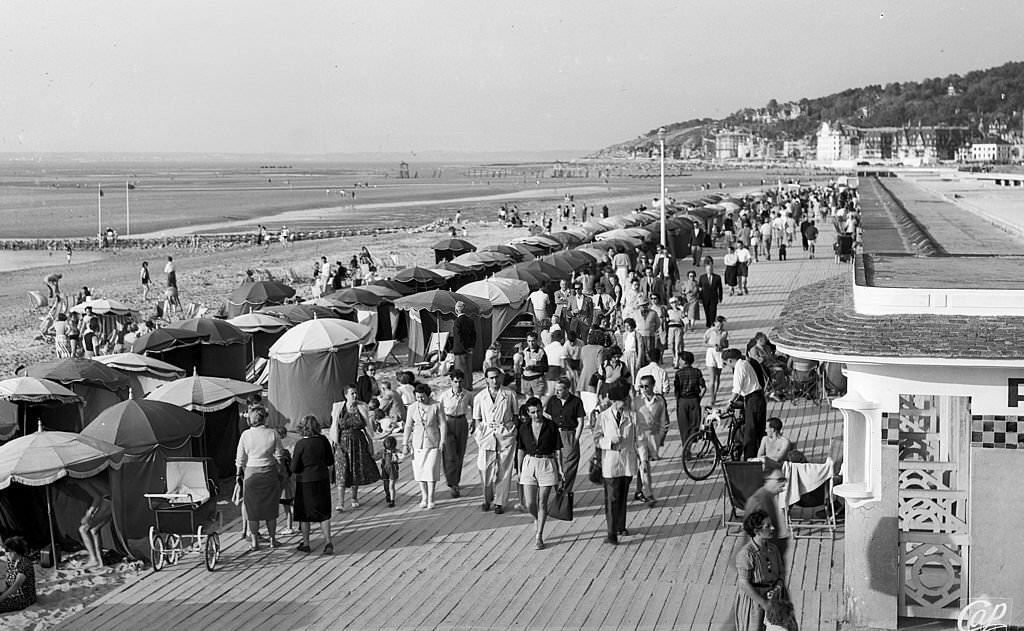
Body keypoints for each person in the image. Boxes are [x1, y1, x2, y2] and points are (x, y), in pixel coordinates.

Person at [593, 385, 639, 545]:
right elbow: (596, 438)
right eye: (620, 400)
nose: (623, 402)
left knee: (623, 495)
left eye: (625, 399)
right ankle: (611, 533)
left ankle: (621, 525)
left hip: (627, 461)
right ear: (613, 401)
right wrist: (609, 442)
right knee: (611, 497)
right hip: (610, 462)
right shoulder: (603, 417)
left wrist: (643, 458)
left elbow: (639, 438)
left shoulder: (632, 416)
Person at [235, 404, 285, 551]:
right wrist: (281, 470)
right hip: (269, 472)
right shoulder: (272, 433)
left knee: (253, 510)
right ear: (264, 418)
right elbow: (280, 455)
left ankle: (255, 541)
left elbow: (240, 458)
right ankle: (272, 539)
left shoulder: (245, 435)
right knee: (271, 508)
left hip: (251, 473)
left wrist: (238, 475)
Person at [517, 396, 563, 550]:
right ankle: (537, 518)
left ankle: (539, 536)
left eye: (539, 411)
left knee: (542, 501)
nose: (536, 415)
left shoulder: (551, 426)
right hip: (529, 463)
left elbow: (558, 449)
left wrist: (561, 469)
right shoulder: (524, 427)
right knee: (530, 503)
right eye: (533, 412)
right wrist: (519, 470)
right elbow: (520, 450)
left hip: (547, 463)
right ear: (528, 413)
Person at [471, 367, 518, 514]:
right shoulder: (480, 397)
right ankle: (487, 497)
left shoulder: (509, 394)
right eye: (491, 378)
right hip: (487, 434)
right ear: (486, 379)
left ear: (501, 377)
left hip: (505, 432)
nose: (494, 380)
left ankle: (500, 502)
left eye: (496, 377)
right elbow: (476, 418)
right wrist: (480, 432)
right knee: (485, 468)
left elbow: (515, 414)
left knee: (504, 469)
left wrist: (512, 430)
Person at [734, 509, 788, 631]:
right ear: (757, 531)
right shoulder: (746, 554)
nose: (772, 528)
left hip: (774, 599)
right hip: (754, 602)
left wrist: (777, 588)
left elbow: (781, 572)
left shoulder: (773, 549)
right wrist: (764, 603)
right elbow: (744, 583)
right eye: (767, 526)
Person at [329, 386, 381, 510]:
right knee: (341, 471)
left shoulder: (361, 407)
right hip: (342, 443)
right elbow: (334, 426)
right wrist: (334, 444)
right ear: (345, 395)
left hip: (358, 442)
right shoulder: (338, 408)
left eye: (356, 393)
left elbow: (368, 429)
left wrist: (371, 446)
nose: (355, 396)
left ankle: (354, 497)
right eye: (352, 393)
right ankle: (340, 503)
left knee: (355, 469)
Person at [291, 415, 334, 555]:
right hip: (321, 478)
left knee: (304, 514)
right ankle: (328, 542)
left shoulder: (300, 445)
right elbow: (329, 461)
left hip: (305, 481)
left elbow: (294, 467)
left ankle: (306, 543)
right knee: (324, 512)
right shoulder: (323, 440)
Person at [404, 383, 446, 509]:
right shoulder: (412, 408)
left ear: (428, 395)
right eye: (417, 397)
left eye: (422, 397)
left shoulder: (436, 406)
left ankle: (431, 498)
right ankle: (424, 496)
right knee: (420, 471)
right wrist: (405, 443)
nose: (420, 399)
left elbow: (443, 424)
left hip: (433, 441)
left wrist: (442, 441)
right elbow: (408, 426)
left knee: (431, 470)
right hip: (418, 442)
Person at [723, 348, 768, 460]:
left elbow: (737, 389)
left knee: (750, 431)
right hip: (754, 397)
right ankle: (757, 454)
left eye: (726, 363)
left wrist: (729, 404)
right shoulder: (744, 363)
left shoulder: (739, 367)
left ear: (730, 360)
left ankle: (750, 458)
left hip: (753, 399)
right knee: (756, 429)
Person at [544, 377, 585, 492]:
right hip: (555, 433)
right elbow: (548, 416)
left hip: (569, 434)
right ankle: (558, 490)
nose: (556, 392)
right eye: (556, 390)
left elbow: (580, 422)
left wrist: (575, 439)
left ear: (567, 389)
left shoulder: (576, 401)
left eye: (560, 390)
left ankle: (565, 490)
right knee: (555, 463)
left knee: (569, 465)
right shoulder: (553, 400)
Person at [632, 375, 667, 507]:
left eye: (647, 386)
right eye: (641, 386)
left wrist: (660, 437)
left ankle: (638, 490)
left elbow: (664, 421)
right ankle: (649, 494)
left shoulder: (660, 401)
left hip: (653, 438)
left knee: (643, 465)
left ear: (653, 385)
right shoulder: (636, 401)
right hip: (639, 437)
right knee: (644, 464)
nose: (644, 389)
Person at [745, 466, 790, 562]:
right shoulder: (758, 501)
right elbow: (752, 534)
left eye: (784, 479)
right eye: (779, 480)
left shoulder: (773, 496)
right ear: (767, 480)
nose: (783, 483)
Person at [439, 370, 472, 498]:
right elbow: (438, 411)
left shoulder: (467, 394)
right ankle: (453, 483)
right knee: (450, 454)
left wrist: (474, 421)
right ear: (451, 381)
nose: (458, 384)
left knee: (460, 453)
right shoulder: (444, 395)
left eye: (460, 381)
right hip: (448, 422)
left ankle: (455, 480)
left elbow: (475, 407)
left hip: (462, 421)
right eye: (455, 381)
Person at [76, 475, 112, 567]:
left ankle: (94, 559)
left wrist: (88, 514)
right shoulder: (88, 474)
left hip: (109, 500)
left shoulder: (81, 479)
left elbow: (97, 497)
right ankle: (99, 560)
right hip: (111, 499)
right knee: (94, 530)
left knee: (83, 529)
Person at [673, 351, 706, 442]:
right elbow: (703, 388)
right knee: (694, 424)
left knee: (684, 426)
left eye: (680, 359)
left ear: (684, 361)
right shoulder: (697, 372)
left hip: (683, 401)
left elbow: (677, 390)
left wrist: (678, 401)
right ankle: (691, 441)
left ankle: (686, 448)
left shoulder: (678, 374)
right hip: (695, 400)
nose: (678, 361)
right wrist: (699, 397)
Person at [446, 301, 477, 390]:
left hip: (460, 350)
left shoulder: (457, 321)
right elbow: (474, 335)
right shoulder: (470, 321)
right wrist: (471, 347)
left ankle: (462, 388)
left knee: (460, 371)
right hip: (469, 349)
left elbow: (458, 337)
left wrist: (464, 348)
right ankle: (469, 386)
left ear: (456, 310)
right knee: (468, 370)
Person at [0, 536, 36, 614]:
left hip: (23, 598)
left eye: (8, 552)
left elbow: (15, 586)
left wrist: (1, 598)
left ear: (14, 552)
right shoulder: (13, 561)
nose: (7, 555)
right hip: (12, 594)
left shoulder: (24, 564)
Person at [704, 316, 729, 403]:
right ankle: (711, 397)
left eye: (721, 326)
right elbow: (704, 343)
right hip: (711, 353)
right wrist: (712, 345)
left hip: (720, 354)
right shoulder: (710, 331)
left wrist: (722, 346)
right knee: (712, 378)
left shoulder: (725, 333)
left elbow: (727, 344)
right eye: (718, 326)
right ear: (714, 323)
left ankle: (715, 394)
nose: (719, 328)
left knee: (718, 376)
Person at [276, 427, 295, 534]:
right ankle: (300, 525)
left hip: (283, 488)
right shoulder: (289, 447)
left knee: (287, 509)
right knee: (292, 506)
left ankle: (289, 527)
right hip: (291, 484)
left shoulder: (279, 449)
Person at [697, 256, 724, 328]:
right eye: (708, 269)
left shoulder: (717, 277)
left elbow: (720, 288)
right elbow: (700, 288)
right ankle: (708, 322)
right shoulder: (702, 277)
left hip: (714, 297)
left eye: (711, 269)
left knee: (713, 311)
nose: (710, 270)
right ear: (706, 269)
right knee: (707, 311)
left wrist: (720, 297)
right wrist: (699, 297)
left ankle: (712, 323)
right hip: (705, 297)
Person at [520, 332, 548, 398]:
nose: (531, 343)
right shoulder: (525, 351)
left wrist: (532, 368)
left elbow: (545, 368)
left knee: (537, 401)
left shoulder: (541, 352)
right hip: (526, 379)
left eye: (533, 341)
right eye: (529, 341)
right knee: (528, 400)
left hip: (537, 379)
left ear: (536, 341)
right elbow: (523, 364)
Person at [379, 435, 402, 507]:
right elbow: (376, 457)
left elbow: (401, 457)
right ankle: (388, 495)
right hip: (385, 470)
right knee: (386, 486)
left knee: (391, 486)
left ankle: (392, 500)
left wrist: (398, 457)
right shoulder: (383, 452)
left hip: (393, 470)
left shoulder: (396, 452)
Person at [665, 296, 687, 369]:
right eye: (672, 303)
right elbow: (666, 321)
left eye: (675, 302)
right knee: (671, 345)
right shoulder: (668, 312)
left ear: (677, 303)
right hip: (671, 329)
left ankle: (677, 362)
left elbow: (686, 321)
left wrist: (685, 329)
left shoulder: (681, 311)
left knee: (677, 345)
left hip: (678, 328)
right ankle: (674, 358)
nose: (673, 304)